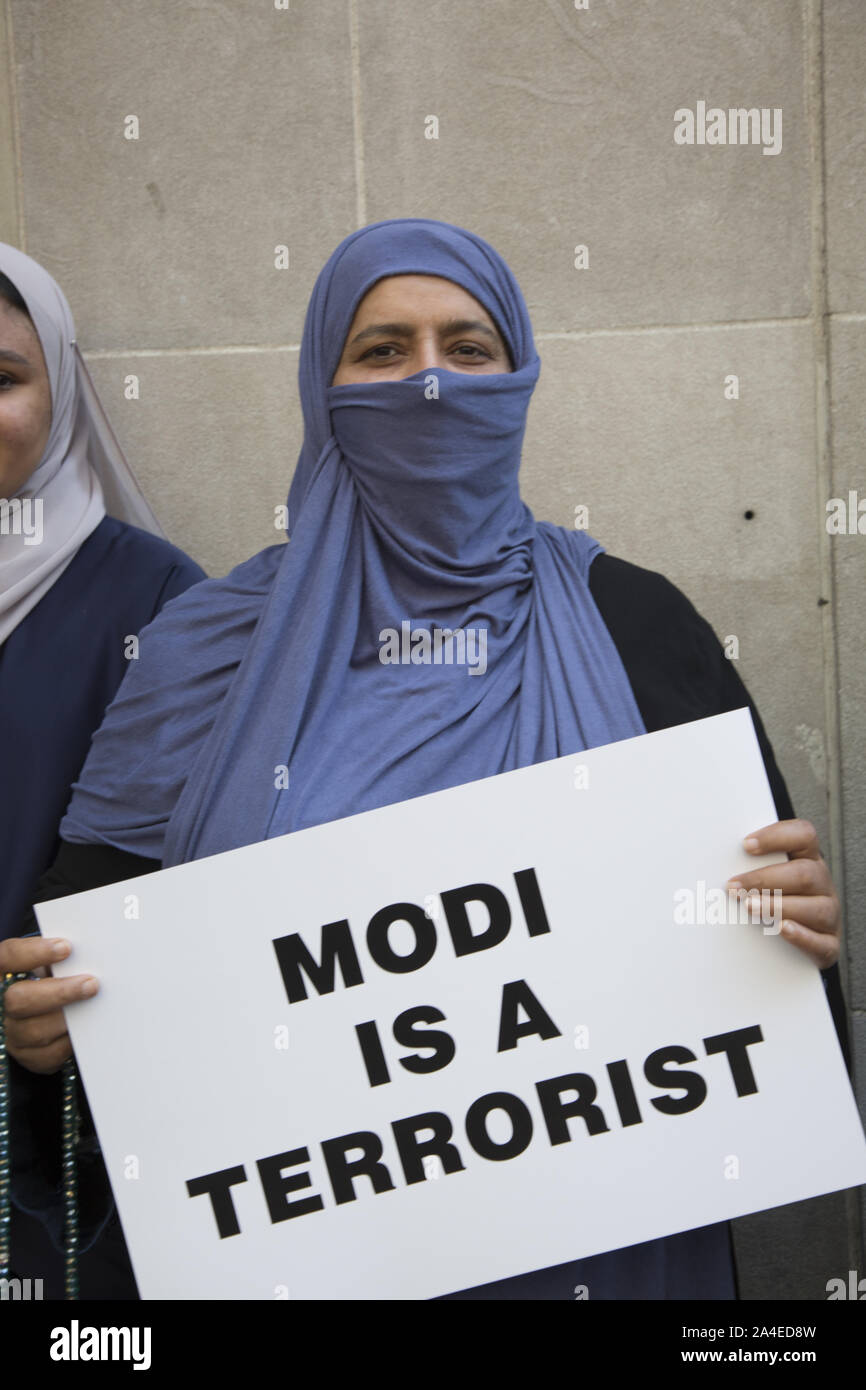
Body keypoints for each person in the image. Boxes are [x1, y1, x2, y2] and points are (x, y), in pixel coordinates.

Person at [0, 219, 847, 1300]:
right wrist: (46, 1036)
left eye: (468, 348)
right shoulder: (201, 650)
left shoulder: (635, 622)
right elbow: (78, 974)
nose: (431, 383)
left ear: (518, 377)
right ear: (323, 383)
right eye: (383, 351)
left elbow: (759, 1012)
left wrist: (790, 926)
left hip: (603, 1260)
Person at [0, 243, 205, 1296]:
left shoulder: (156, 600)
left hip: (56, 1126)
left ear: (63, 390)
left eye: (3, 378)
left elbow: (206, 887)